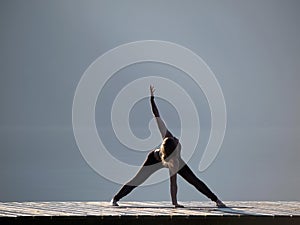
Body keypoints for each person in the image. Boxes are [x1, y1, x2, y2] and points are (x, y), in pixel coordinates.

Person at [111, 85, 226, 208]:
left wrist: (152, 99)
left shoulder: (168, 137)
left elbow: (157, 116)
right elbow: (173, 183)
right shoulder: (172, 160)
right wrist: (175, 204)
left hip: (171, 159)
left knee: (194, 180)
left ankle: (216, 200)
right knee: (137, 180)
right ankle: (115, 199)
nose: (177, 142)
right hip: (153, 159)